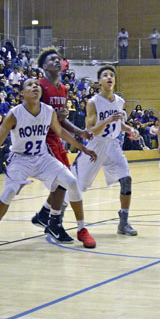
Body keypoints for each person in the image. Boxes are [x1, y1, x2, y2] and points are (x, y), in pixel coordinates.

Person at [0, 78, 98, 254]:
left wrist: (83, 148)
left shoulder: (48, 111)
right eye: (30, 85)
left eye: (37, 85)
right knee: (9, 192)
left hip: (42, 158)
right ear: (22, 93)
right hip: (19, 159)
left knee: (72, 182)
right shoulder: (14, 114)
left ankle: (82, 229)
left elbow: (60, 132)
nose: (35, 86)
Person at [30, 48, 94, 247]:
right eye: (52, 59)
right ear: (44, 66)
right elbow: (35, 116)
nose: (57, 61)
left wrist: (80, 132)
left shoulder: (63, 89)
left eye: (59, 59)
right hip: (41, 139)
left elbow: (61, 120)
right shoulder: (39, 86)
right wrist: (56, 118)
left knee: (64, 181)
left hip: (57, 138)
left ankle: (44, 214)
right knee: (63, 180)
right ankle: (54, 222)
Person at [69, 65, 141, 236]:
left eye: (111, 75)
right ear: (99, 81)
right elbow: (91, 130)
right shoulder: (93, 102)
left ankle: (123, 222)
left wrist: (130, 129)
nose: (109, 77)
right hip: (95, 145)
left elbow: (118, 124)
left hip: (113, 145)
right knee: (77, 184)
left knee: (126, 180)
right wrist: (107, 120)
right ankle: (56, 217)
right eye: (105, 75)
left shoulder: (119, 101)